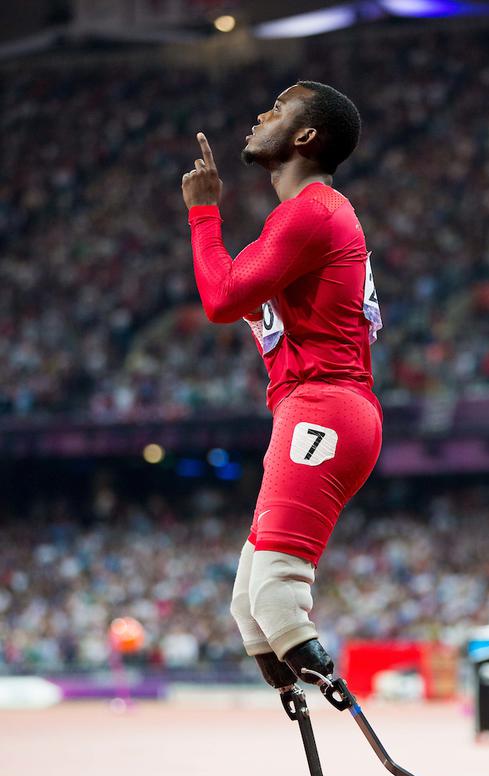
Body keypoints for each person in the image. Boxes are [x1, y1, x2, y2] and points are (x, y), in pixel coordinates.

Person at [182, 81, 383, 690]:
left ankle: (352, 715)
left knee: (275, 597)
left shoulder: (314, 211)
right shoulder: (296, 224)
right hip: (312, 409)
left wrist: (202, 212)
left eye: (276, 108)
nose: (259, 113)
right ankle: (299, 698)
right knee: (249, 609)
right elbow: (233, 283)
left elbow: (220, 297)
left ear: (304, 135)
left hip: (324, 406)